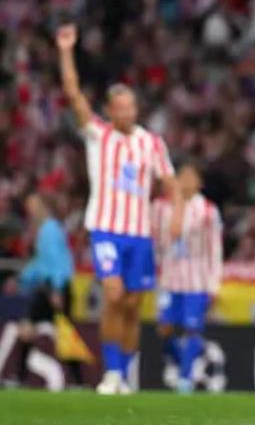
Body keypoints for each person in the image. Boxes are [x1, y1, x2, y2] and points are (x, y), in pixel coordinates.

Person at [55, 24, 183, 395]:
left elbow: (170, 182)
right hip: (106, 228)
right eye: (121, 108)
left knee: (131, 305)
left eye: (131, 107)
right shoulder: (99, 135)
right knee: (112, 294)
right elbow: (73, 93)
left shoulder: (151, 143)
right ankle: (111, 372)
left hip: (139, 233)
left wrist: (176, 214)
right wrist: (66, 51)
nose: (127, 113)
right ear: (110, 111)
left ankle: (123, 375)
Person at [152, 162, 223, 393]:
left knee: (192, 329)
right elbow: (156, 243)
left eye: (191, 176)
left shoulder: (208, 210)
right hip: (169, 279)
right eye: (181, 175)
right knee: (164, 329)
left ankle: (185, 379)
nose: (185, 180)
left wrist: (213, 284)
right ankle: (184, 360)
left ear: (199, 183)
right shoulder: (161, 208)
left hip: (197, 280)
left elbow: (215, 249)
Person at [17, 193, 76, 384]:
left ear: (43, 207)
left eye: (34, 206)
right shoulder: (46, 229)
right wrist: (26, 277)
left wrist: (57, 289)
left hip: (54, 288)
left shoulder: (49, 229)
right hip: (48, 288)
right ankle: (21, 375)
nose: (31, 211)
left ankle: (20, 376)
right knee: (56, 331)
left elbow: (57, 262)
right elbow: (42, 262)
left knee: (63, 332)